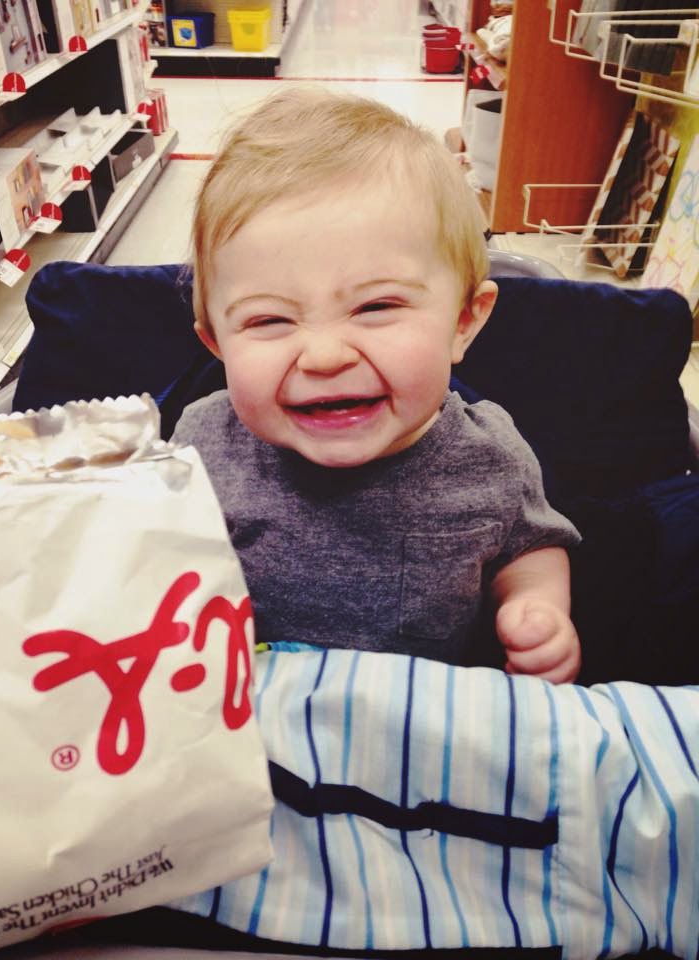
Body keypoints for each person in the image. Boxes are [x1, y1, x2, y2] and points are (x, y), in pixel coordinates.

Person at [173, 86, 581, 683]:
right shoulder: (203, 444)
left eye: (376, 307)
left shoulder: (490, 457)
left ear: (463, 322)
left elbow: (531, 546)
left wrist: (536, 607)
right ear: (217, 344)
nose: (325, 355)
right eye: (268, 320)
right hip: (248, 708)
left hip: (420, 720)